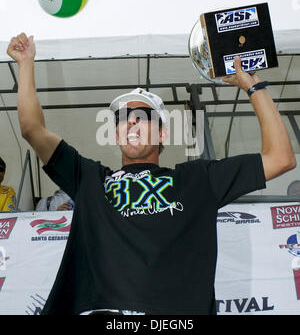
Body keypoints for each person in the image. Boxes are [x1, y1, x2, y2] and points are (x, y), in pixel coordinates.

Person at [7, 33, 296, 315]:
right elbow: (32, 130)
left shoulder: (197, 179)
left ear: (163, 133)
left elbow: (280, 158)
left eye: (143, 117)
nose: (131, 122)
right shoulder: (89, 178)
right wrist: (25, 63)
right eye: (123, 118)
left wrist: (253, 85)